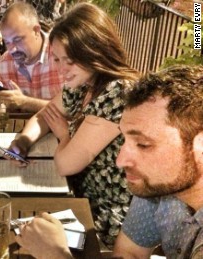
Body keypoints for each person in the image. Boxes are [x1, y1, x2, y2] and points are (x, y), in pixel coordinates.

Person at [16, 64, 203, 259]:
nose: (121, 161)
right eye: (124, 139)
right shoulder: (156, 184)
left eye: (142, 144)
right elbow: (129, 253)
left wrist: (55, 254)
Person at [8, 3, 139, 247]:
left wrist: (63, 133)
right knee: (11, 222)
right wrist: (23, 141)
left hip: (103, 214)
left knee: (15, 233)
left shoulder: (117, 92)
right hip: (73, 194)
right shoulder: (83, 81)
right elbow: (43, 116)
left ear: (94, 52)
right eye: (57, 60)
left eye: (68, 61)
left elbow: (65, 164)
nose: (61, 70)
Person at [0, 2, 63, 113]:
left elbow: (72, 109)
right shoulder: (4, 63)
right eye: (8, 42)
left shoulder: (61, 54)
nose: (12, 49)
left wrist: (25, 102)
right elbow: (7, 110)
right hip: (21, 128)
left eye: (17, 40)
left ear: (36, 31)